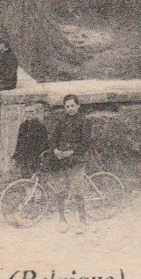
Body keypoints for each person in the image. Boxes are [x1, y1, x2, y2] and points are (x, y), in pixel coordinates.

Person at [49, 94, 91, 228]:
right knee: (60, 189)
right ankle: (62, 220)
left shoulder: (84, 121)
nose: (70, 109)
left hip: (77, 158)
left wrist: (71, 152)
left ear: (78, 106)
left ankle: (82, 220)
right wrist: (55, 150)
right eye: (67, 106)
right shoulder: (61, 121)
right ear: (64, 108)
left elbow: (85, 143)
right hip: (61, 159)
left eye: (73, 105)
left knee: (78, 190)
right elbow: (53, 138)